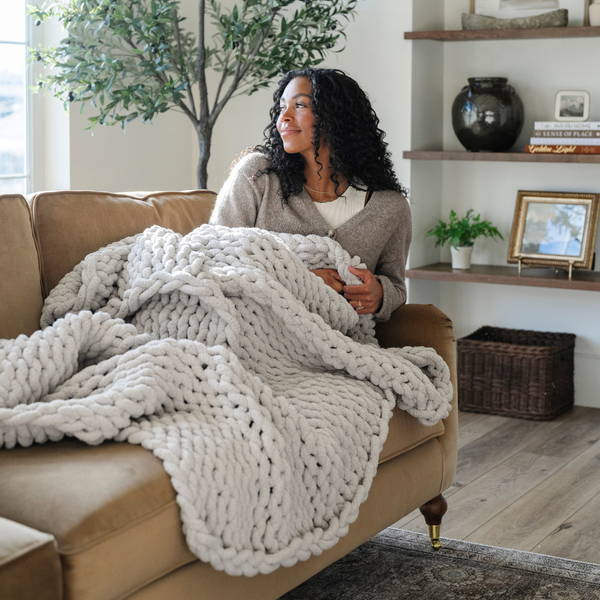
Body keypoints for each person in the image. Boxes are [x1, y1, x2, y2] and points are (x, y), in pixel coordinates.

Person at [209, 67, 411, 322]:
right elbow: (213, 252)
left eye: (300, 105)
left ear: (336, 117)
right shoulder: (258, 177)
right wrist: (303, 280)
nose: (284, 117)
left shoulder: (390, 208)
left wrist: (380, 294)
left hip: (335, 342)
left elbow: (397, 286)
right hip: (252, 329)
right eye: (282, 107)